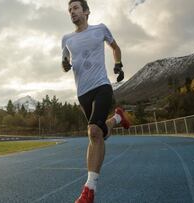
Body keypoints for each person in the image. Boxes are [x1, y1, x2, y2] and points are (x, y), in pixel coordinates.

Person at [61, 0, 130, 202]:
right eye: (69, 10)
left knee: (92, 131)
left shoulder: (100, 29)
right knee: (98, 133)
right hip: (82, 93)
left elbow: (115, 47)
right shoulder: (66, 39)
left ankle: (89, 190)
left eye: (75, 8)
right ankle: (117, 118)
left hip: (101, 86)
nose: (72, 12)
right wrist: (64, 65)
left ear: (86, 11)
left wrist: (118, 64)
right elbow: (64, 60)